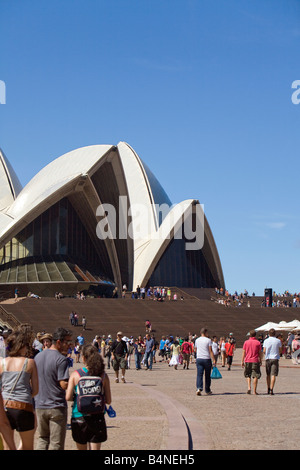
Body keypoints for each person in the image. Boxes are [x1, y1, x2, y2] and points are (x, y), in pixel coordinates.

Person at [66, 344, 112, 450]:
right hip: (97, 417)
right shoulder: (103, 375)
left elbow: (68, 397)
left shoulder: (76, 374)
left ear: (83, 358)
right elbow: (109, 400)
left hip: (79, 416)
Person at [0, 325, 39, 450]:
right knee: (28, 446)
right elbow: (36, 390)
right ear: (21, 346)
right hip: (24, 406)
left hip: (6, 406)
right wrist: (27, 394)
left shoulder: (2, 363)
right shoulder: (30, 362)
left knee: (8, 446)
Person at [34, 327, 72, 450]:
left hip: (40, 405)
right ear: (59, 342)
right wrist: (75, 383)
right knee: (56, 443)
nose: (69, 345)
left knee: (42, 439)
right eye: (67, 342)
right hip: (56, 405)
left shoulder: (38, 357)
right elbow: (63, 384)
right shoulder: (61, 359)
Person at [194, 328, 216, 396]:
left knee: (199, 374)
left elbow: (195, 349)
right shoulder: (208, 340)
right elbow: (210, 351)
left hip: (199, 358)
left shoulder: (197, 340)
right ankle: (207, 390)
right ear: (205, 333)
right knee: (207, 375)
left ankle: (199, 388)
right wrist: (214, 360)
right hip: (206, 359)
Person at [241, 330, 263, 395]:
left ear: (249, 335)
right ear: (255, 335)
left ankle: (249, 387)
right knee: (255, 375)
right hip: (255, 360)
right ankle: (254, 391)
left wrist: (242, 361)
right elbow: (260, 353)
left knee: (248, 374)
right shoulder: (258, 342)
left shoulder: (246, 342)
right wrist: (261, 360)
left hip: (247, 360)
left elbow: (243, 352)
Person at [263, 328, 282, 395]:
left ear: (269, 333)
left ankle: (268, 388)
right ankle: (271, 389)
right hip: (275, 358)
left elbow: (264, 351)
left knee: (268, 374)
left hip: (268, 358)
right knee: (273, 374)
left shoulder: (266, 341)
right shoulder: (278, 341)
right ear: (275, 334)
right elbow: (280, 350)